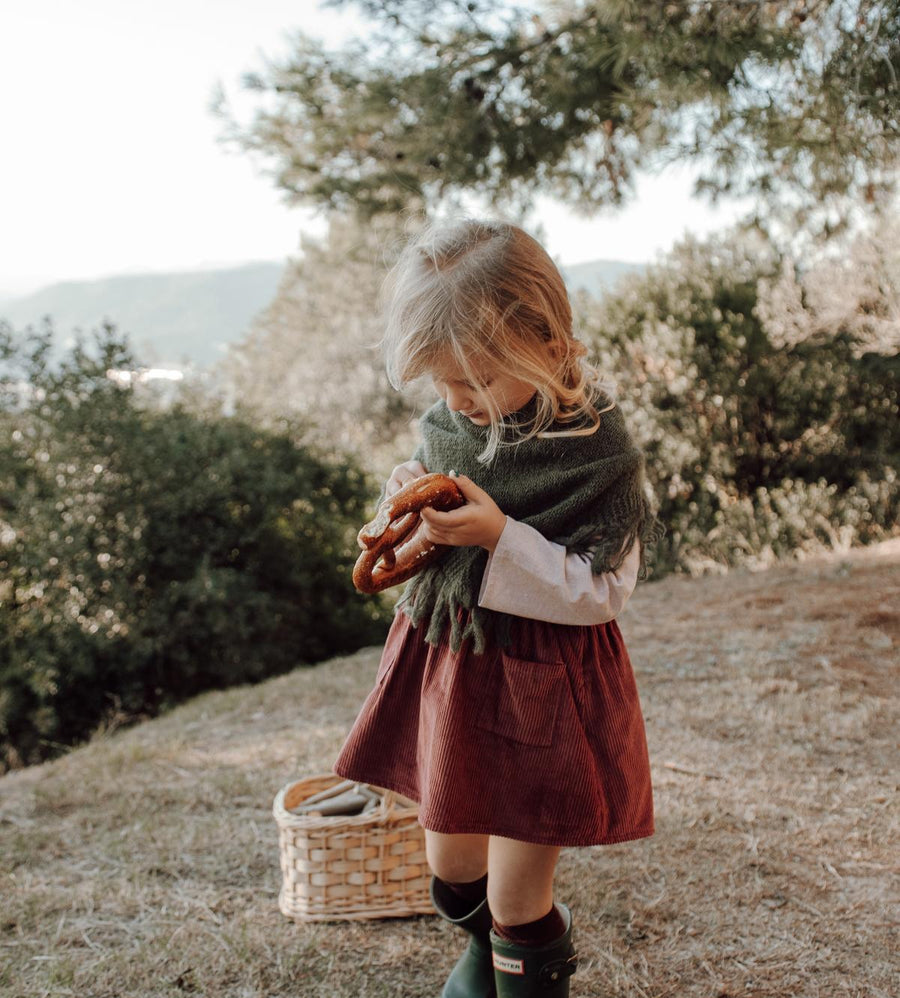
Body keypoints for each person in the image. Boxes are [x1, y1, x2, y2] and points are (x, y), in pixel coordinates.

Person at [334, 217, 662, 998]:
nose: (456, 402)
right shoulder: (451, 422)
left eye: (475, 380)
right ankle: (487, 951)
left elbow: (601, 591)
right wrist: (406, 505)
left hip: (542, 687)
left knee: (518, 899)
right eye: (441, 384)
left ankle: (524, 969)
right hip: (453, 664)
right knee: (451, 873)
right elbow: (434, 476)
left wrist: (500, 537)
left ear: (546, 342)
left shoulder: (598, 454)